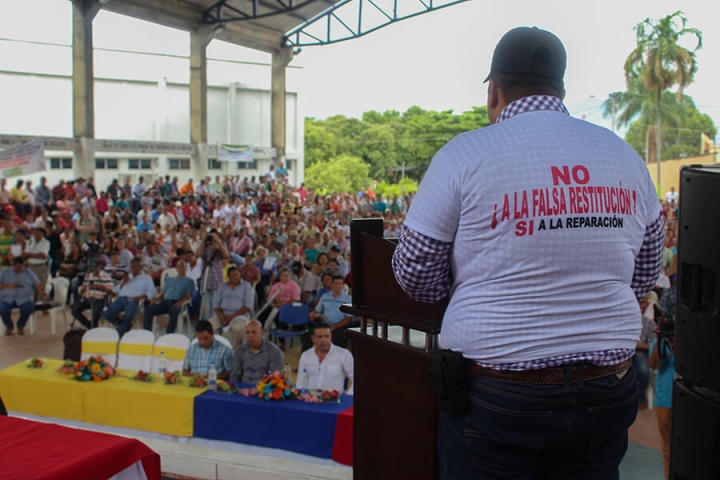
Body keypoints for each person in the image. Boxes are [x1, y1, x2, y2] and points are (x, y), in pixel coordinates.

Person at [391, 27, 664, 479]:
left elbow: (416, 275)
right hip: (606, 388)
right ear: (561, 89)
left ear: (494, 90)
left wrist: (468, 281)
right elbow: (645, 271)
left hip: (496, 395)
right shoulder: (624, 155)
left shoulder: (465, 153)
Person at [103, 256, 156, 336]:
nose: (132, 269)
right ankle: (124, 326)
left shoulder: (146, 278)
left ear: (140, 267)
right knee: (107, 313)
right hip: (121, 299)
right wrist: (124, 281)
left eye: (134, 267)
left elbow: (152, 292)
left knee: (128, 315)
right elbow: (116, 290)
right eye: (131, 267)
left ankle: (118, 333)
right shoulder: (128, 277)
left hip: (133, 300)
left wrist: (141, 297)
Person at [296, 322, 354, 394]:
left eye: (327, 336)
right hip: (311, 400)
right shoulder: (305, 355)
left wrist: (349, 397)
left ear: (331, 337)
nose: (324, 340)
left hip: (334, 400)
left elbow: (357, 379)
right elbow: (301, 381)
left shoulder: (343, 354)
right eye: (320, 337)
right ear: (313, 338)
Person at [143, 259, 196, 333]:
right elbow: (162, 293)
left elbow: (188, 296)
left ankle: (169, 334)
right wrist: (155, 299)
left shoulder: (189, 281)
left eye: (183, 267)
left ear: (186, 269)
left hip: (176, 302)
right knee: (148, 309)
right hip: (165, 302)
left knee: (174, 310)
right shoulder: (169, 279)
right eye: (179, 267)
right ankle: (147, 333)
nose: (181, 269)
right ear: (176, 268)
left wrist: (181, 302)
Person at [0, 257, 49, 335]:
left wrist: (44, 294)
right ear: (13, 265)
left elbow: (38, 285)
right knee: (2, 309)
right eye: (17, 267)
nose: (19, 269)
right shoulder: (5, 272)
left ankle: (21, 325)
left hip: (23, 298)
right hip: (7, 298)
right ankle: (9, 326)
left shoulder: (29, 273)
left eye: (21, 267)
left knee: (28, 308)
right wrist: (10, 285)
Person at [649, 333, 675, 479]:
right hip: (664, 400)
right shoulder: (660, 344)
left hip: (684, 402)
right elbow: (653, 364)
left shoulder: (690, 343)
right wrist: (661, 342)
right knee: (667, 449)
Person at [210, 266, 254, 348]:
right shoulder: (222, 287)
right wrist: (221, 316)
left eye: (237, 275)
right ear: (229, 276)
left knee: (237, 328)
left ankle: (234, 350)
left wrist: (232, 316)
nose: (235, 277)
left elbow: (248, 305)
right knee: (209, 326)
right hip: (223, 314)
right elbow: (215, 304)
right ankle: (216, 348)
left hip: (240, 315)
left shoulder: (246, 286)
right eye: (233, 275)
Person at [229, 319, 284, 384]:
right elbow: (234, 376)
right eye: (247, 333)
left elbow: (275, 377)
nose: (251, 336)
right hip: (242, 389)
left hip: (264, 389)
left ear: (262, 333)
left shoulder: (274, 352)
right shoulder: (239, 351)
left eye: (254, 332)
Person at [307, 274, 353, 348]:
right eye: (336, 284)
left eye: (340, 284)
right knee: (309, 333)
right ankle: (305, 356)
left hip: (339, 326)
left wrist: (335, 326)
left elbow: (349, 318)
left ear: (343, 285)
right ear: (332, 285)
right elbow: (317, 311)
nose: (338, 286)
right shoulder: (325, 296)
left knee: (337, 336)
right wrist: (313, 315)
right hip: (324, 324)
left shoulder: (348, 299)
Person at [72, 256, 113, 329]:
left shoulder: (105, 276)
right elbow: (83, 288)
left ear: (99, 267)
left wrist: (99, 287)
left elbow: (111, 292)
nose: (93, 270)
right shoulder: (88, 276)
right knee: (74, 311)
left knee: (95, 312)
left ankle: (93, 326)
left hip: (99, 299)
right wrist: (83, 289)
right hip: (87, 299)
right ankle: (90, 326)